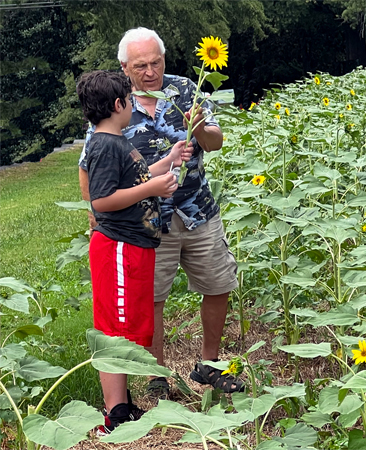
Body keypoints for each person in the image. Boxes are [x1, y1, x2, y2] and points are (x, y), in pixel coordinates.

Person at [78, 27, 243, 395]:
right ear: (124, 67)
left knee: (218, 284)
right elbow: (88, 163)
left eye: (156, 62)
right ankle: (159, 375)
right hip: (147, 224)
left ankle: (209, 365)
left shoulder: (186, 88)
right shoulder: (113, 103)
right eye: (141, 65)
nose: (150, 71)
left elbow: (215, 143)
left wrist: (199, 128)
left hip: (197, 209)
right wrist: (96, 216)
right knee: (152, 299)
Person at [76, 70, 190, 434]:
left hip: (134, 248)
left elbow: (137, 178)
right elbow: (103, 201)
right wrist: (152, 188)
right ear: (118, 105)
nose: (133, 105)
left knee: (128, 328)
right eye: (130, 99)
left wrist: (169, 160)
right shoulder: (105, 145)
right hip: (118, 249)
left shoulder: (117, 141)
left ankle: (122, 404)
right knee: (114, 331)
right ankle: (114, 416)